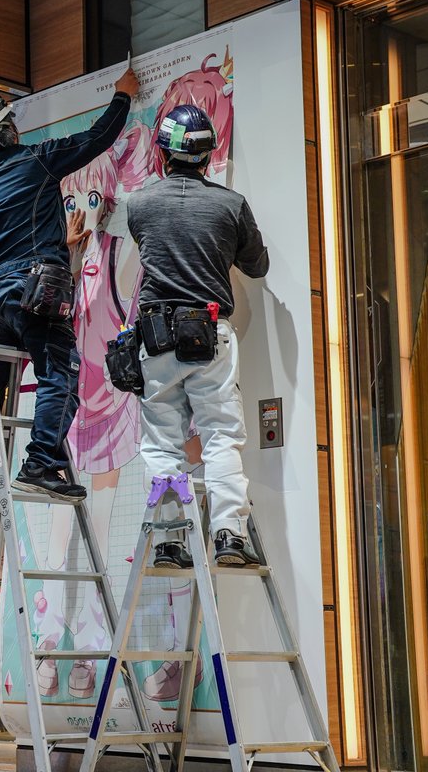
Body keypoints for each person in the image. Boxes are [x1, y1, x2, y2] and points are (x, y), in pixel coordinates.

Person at [0, 67, 140, 505]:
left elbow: (9, 229)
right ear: (8, 129)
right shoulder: (36, 159)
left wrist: (58, 241)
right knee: (59, 372)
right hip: (31, 292)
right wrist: (122, 96)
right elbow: (95, 139)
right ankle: (40, 465)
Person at [126, 104, 269, 567]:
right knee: (221, 437)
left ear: (163, 152)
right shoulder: (231, 204)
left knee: (163, 444)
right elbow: (257, 265)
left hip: (157, 337)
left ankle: (170, 543)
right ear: (209, 155)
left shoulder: (140, 204)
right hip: (209, 334)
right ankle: (229, 534)